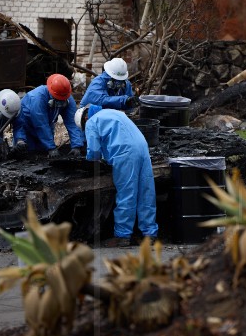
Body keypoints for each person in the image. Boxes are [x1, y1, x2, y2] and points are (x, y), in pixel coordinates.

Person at [75, 104, 158, 247]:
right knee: (146, 192)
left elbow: (94, 152)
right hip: (143, 148)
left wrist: (89, 161)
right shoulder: (114, 112)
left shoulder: (91, 122)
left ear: (84, 118)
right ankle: (149, 234)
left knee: (127, 194)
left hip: (125, 153)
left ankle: (122, 236)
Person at [11, 73, 84, 158]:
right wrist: (51, 147)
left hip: (46, 128)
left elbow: (72, 122)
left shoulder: (67, 98)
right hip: (27, 128)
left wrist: (76, 145)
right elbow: (41, 124)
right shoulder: (37, 98)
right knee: (27, 155)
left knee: (42, 154)